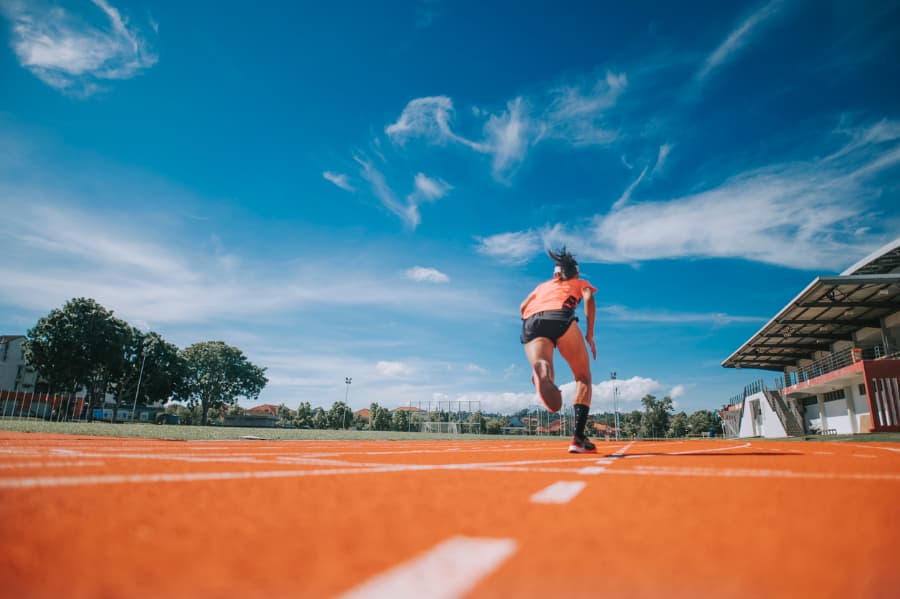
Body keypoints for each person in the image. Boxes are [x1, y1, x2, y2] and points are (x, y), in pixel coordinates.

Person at [519, 247, 597, 453]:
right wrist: (589, 334)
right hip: (560, 317)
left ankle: (542, 370)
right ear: (576, 273)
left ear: (555, 274)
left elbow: (522, 306)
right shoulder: (580, 283)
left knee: (544, 362)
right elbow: (588, 298)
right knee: (583, 377)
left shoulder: (542, 286)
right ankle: (578, 438)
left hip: (532, 321)